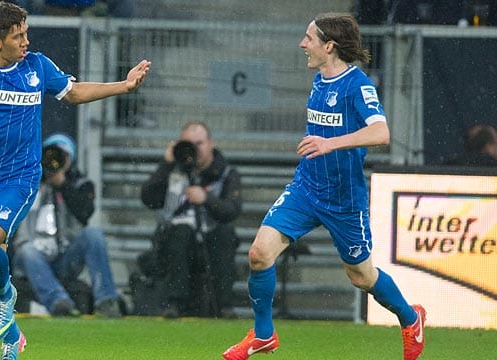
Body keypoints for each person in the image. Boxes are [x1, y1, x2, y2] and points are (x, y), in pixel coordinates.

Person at [0, 2, 150, 359]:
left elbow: (74, 92)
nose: (26, 41)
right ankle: (13, 336)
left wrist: (123, 86)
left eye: (26, 32)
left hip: (20, 177)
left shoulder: (37, 66)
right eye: (18, 36)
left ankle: (5, 301)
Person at [222, 13, 425, 360]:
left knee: (362, 277)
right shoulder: (319, 79)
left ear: (329, 46)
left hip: (344, 199)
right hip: (306, 187)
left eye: (309, 38)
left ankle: (411, 318)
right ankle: (263, 334)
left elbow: (382, 133)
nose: (302, 44)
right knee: (259, 254)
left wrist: (330, 143)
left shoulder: (358, 86)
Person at [12, 132, 122, 318]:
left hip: (64, 257)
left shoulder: (80, 184)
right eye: (50, 156)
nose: (54, 162)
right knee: (27, 250)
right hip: (32, 261)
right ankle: (59, 302)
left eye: (61, 156)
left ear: (70, 159)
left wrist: (62, 184)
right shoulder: (26, 183)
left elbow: (85, 213)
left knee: (93, 234)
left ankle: (106, 301)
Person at [140, 121, 242, 318]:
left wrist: (207, 199)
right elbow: (148, 199)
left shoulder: (227, 173)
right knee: (180, 233)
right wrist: (166, 165)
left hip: (212, 241)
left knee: (224, 234)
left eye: (199, 143)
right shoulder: (172, 171)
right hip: (177, 242)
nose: (195, 150)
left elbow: (233, 209)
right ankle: (174, 304)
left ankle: (225, 306)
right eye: (189, 144)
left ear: (211, 143)